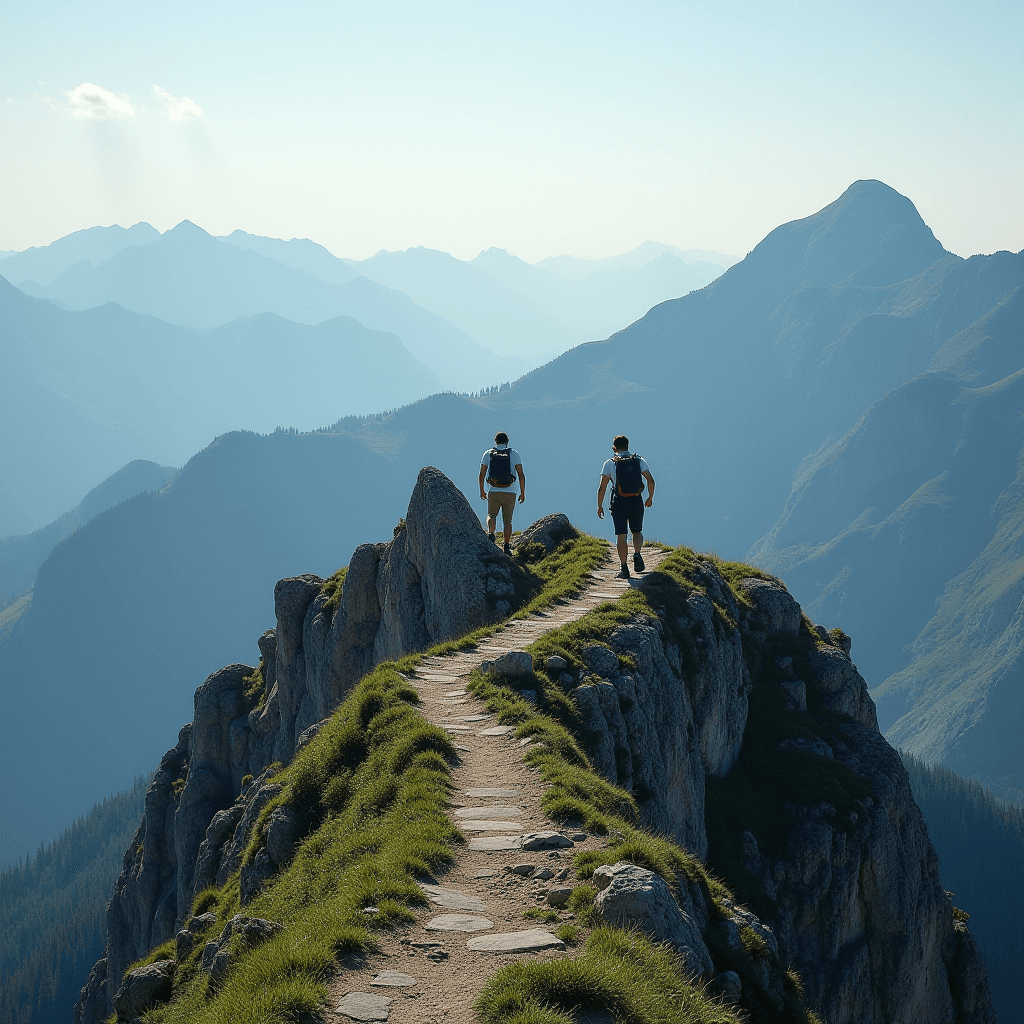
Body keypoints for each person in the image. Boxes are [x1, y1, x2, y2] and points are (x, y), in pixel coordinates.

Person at [597, 435, 655, 578]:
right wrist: (650, 498)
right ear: (628, 446)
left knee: (621, 536)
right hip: (636, 501)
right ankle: (637, 554)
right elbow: (651, 480)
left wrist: (599, 506)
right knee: (636, 531)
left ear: (614, 448)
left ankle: (624, 568)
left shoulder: (609, 464)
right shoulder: (639, 460)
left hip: (619, 503)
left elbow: (602, 488)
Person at [479, 431, 525, 554]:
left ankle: (491, 534)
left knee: (491, 515)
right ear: (507, 442)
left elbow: (482, 473)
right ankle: (506, 546)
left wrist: (482, 490)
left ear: (496, 441)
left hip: (493, 491)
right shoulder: (514, 454)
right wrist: (522, 493)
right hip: (510, 492)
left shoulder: (488, 454)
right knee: (507, 520)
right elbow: (520, 474)